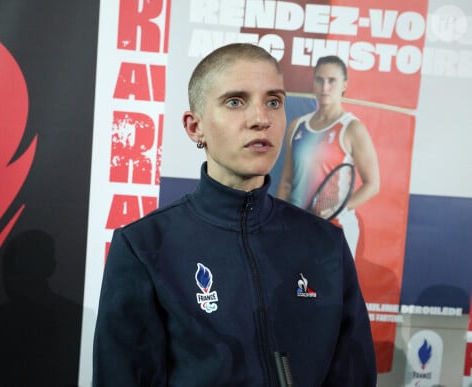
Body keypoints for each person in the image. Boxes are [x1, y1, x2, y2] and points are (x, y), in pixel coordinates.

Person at [93, 43, 376, 386]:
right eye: (235, 102)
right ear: (194, 127)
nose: (261, 119)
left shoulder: (325, 243)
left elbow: (353, 376)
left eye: (273, 102)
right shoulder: (144, 246)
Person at [277, 55, 380, 258]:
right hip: (297, 228)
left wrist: (336, 209)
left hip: (335, 228)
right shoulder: (296, 126)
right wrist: (281, 220)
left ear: (344, 85)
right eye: (320, 79)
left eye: (332, 80)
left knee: (328, 290)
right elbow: (286, 182)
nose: (325, 87)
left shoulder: (352, 128)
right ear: (313, 82)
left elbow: (373, 185)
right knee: (296, 289)